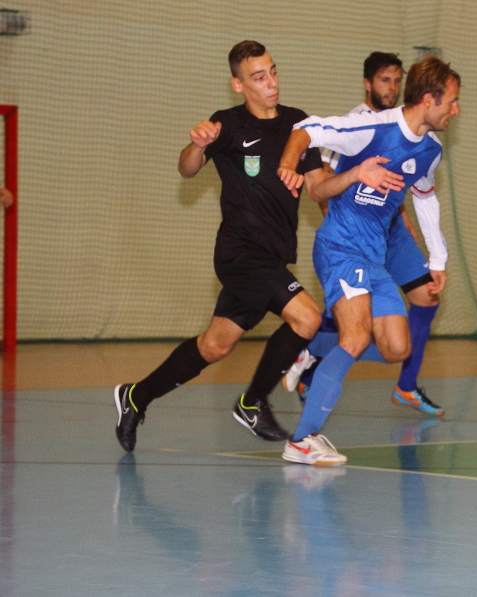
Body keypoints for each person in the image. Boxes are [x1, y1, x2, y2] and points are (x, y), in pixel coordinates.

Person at [111, 41, 392, 452]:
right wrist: (197, 145)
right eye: (259, 77)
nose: (271, 83)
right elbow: (187, 170)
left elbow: (317, 188)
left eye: (273, 71)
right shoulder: (228, 124)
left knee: (214, 345)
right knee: (308, 319)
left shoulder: (297, 124)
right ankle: (252, 402)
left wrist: (354, 176)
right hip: (240, 254)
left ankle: (135, 396)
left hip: (273, 257)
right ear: (238, 85)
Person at [276, 54, 460, 465]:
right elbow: (306, 128)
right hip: (340, 246)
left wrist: (438, 258)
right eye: (451, 101)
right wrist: (288, 165)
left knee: (396, 347)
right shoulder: (372, 127)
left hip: (374, 256)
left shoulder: (430, 150)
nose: (456, 110)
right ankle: (302, 440)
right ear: (429, 100)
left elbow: (425, 196)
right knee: (357, 337)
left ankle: (312, 347)